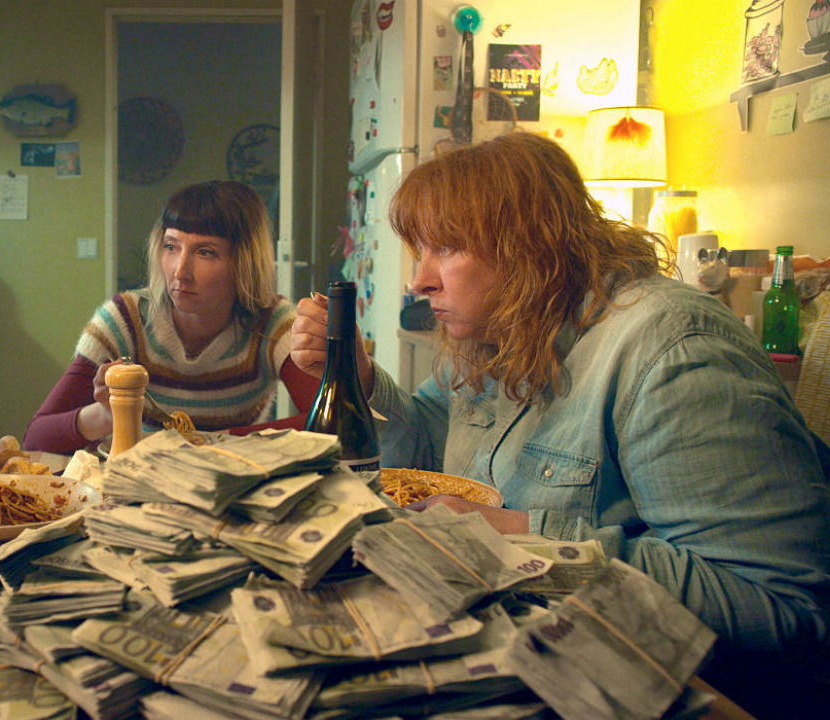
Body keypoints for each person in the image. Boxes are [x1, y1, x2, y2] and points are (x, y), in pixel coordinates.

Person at [291, 132, 830, 716]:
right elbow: (422, 447)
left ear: (531, 245)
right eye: (418, 250)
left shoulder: (673, 348)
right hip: (520, 651)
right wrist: (363, 381)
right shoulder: (499, 332)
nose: (418, 281)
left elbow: (781, 608)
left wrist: (525, 538)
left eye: (445, 248)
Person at [24, 180, 318, 453]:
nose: (180, 271)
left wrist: (212, 443)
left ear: (244, 262)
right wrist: (104, 415)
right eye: (171, 247)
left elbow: (330, 420)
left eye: (205, 252)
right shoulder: (125, 320)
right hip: (141, 480)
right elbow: (36, 439)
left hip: (238, 478)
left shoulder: (273, 322)